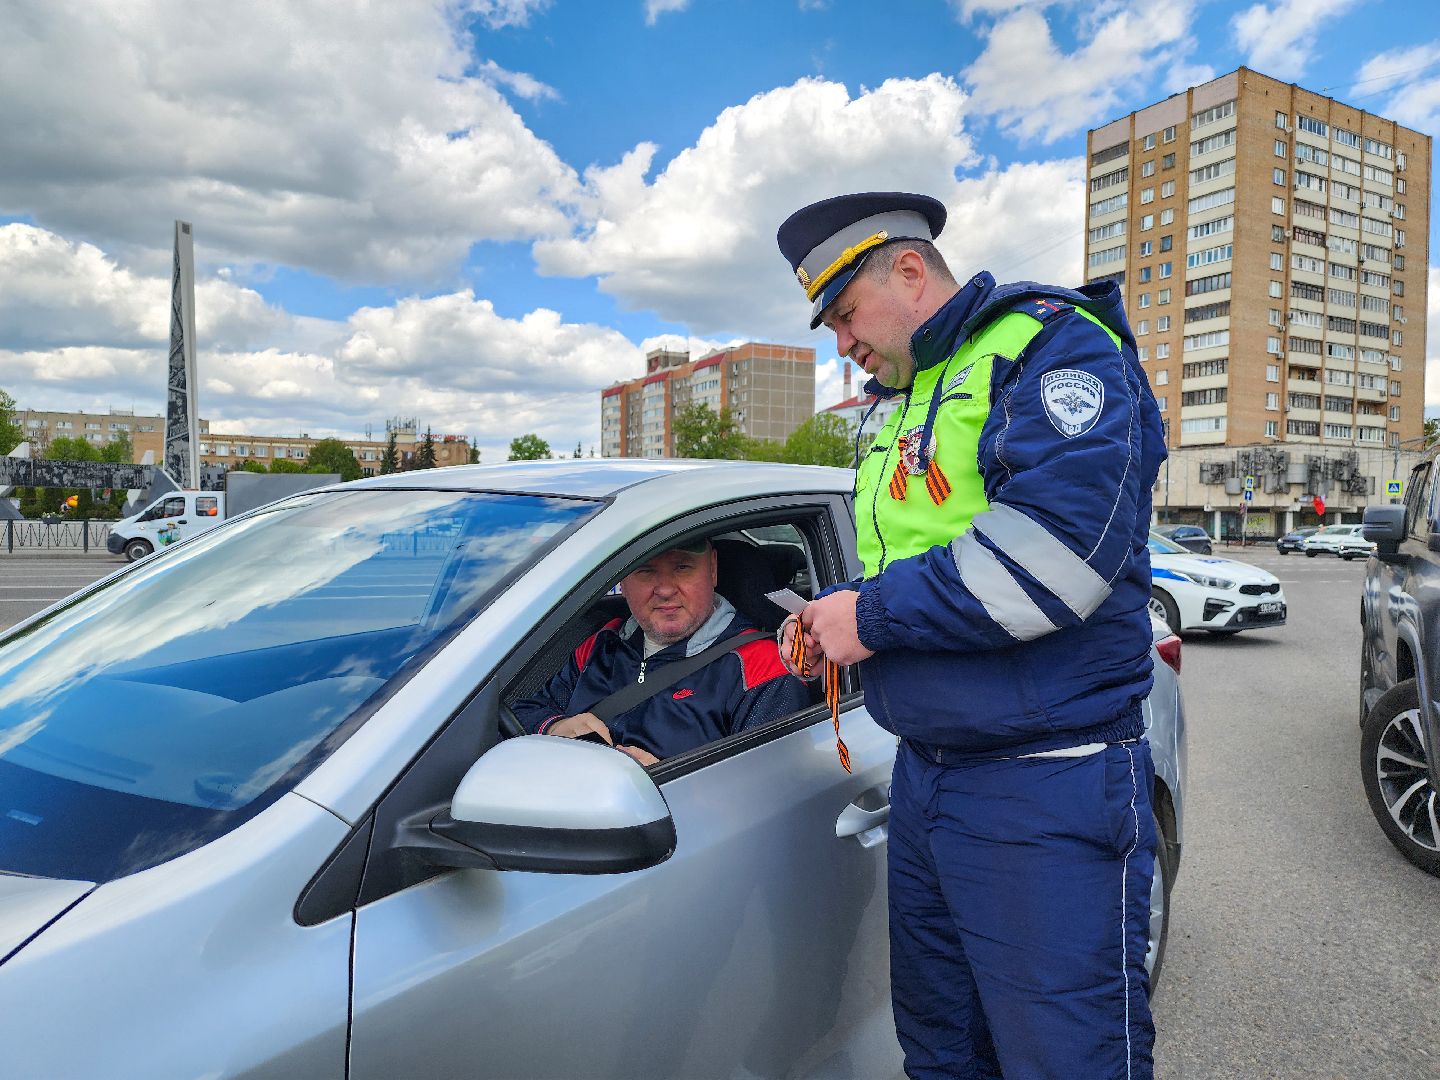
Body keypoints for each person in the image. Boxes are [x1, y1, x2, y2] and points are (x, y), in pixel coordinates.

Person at [775, 192, 1166, 1079]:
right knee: (945, 1053)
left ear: (908, 271)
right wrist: (836, 609)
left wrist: (868, 619)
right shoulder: (906, 397)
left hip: (1045, 786)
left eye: (844, 314)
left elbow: (1057, 555)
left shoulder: (1051, 346)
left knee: (1066, 1056)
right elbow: (924, 552)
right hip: (930, 780)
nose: (841, 343)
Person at [514, 539, 810, 766]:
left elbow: (768, 795)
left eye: (682, 567)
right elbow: (519, 714)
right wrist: (554, 726)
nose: (665, 589)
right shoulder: (600, 644)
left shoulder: (763, 667)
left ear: (712, 570)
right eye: (646, 570)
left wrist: (670, 786)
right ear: (623, 581)